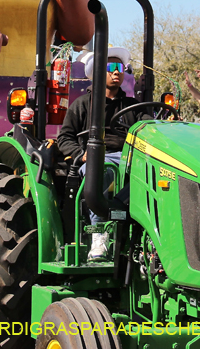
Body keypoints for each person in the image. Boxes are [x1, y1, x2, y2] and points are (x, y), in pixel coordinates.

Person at [57, 47, 140, 260]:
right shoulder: (83, 105)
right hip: (96, 158)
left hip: (128, 158)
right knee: (100, 170)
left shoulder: (133, 107)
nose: (117, 72)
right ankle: (99, 235)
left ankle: (130, 226)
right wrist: (82, 154)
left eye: (120, 68)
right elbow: (64, 138)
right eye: (111, 67)